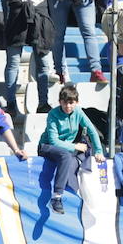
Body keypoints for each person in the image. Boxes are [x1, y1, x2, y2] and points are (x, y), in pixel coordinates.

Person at [38, 84, 105, 214]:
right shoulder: (53, 114)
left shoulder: (78, 112)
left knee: (76, 155)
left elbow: (92, 131)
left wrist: (98, 151)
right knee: (66, 156)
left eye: (71, 103)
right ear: (60, 102)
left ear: (76, 102)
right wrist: (75, 146)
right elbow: (53, 141)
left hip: (66, 147)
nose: (68, 106)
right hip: (46, 146)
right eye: (64, 103)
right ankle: (56, 197)